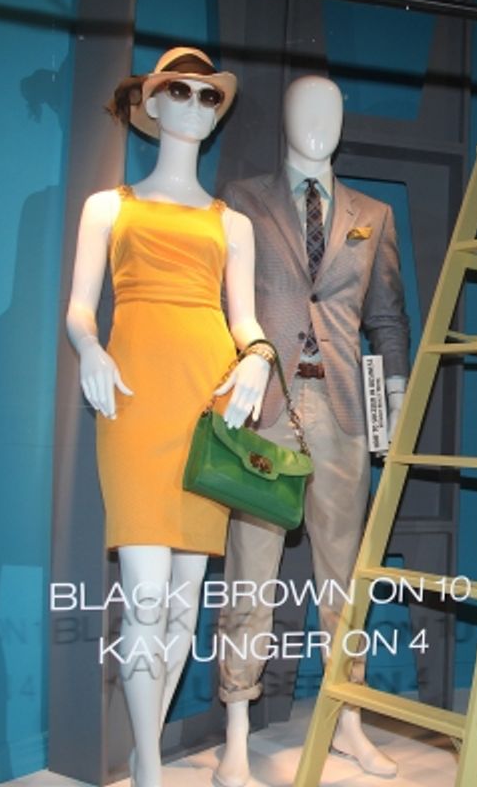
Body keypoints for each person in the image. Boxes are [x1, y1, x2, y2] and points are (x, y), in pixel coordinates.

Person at [64, 47, 271, 787]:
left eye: (208, 95)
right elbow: (81, 308)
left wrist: (260, 357)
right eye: (177, 90)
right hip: (133, 400)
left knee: (184, 610)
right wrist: (88, 345)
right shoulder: (108, 206)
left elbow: (245, 320)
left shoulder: (233, 223)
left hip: (209, 404)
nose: (193, 103)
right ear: (149, 103)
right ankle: (149, 773)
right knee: (146, 602)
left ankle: (143, 756)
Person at [214, 75, 410, 786]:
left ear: (344, 119)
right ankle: (237, 723)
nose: (317, 120)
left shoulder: (373, 215)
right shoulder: (242, 198)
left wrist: (394, 401)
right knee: (252, 568)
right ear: (286, 118)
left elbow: (387, 317)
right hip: (266, 405)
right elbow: (224, 301)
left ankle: (350, 719)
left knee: (344, 573)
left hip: (343, 407)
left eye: (330, 108)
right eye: (305, 106)